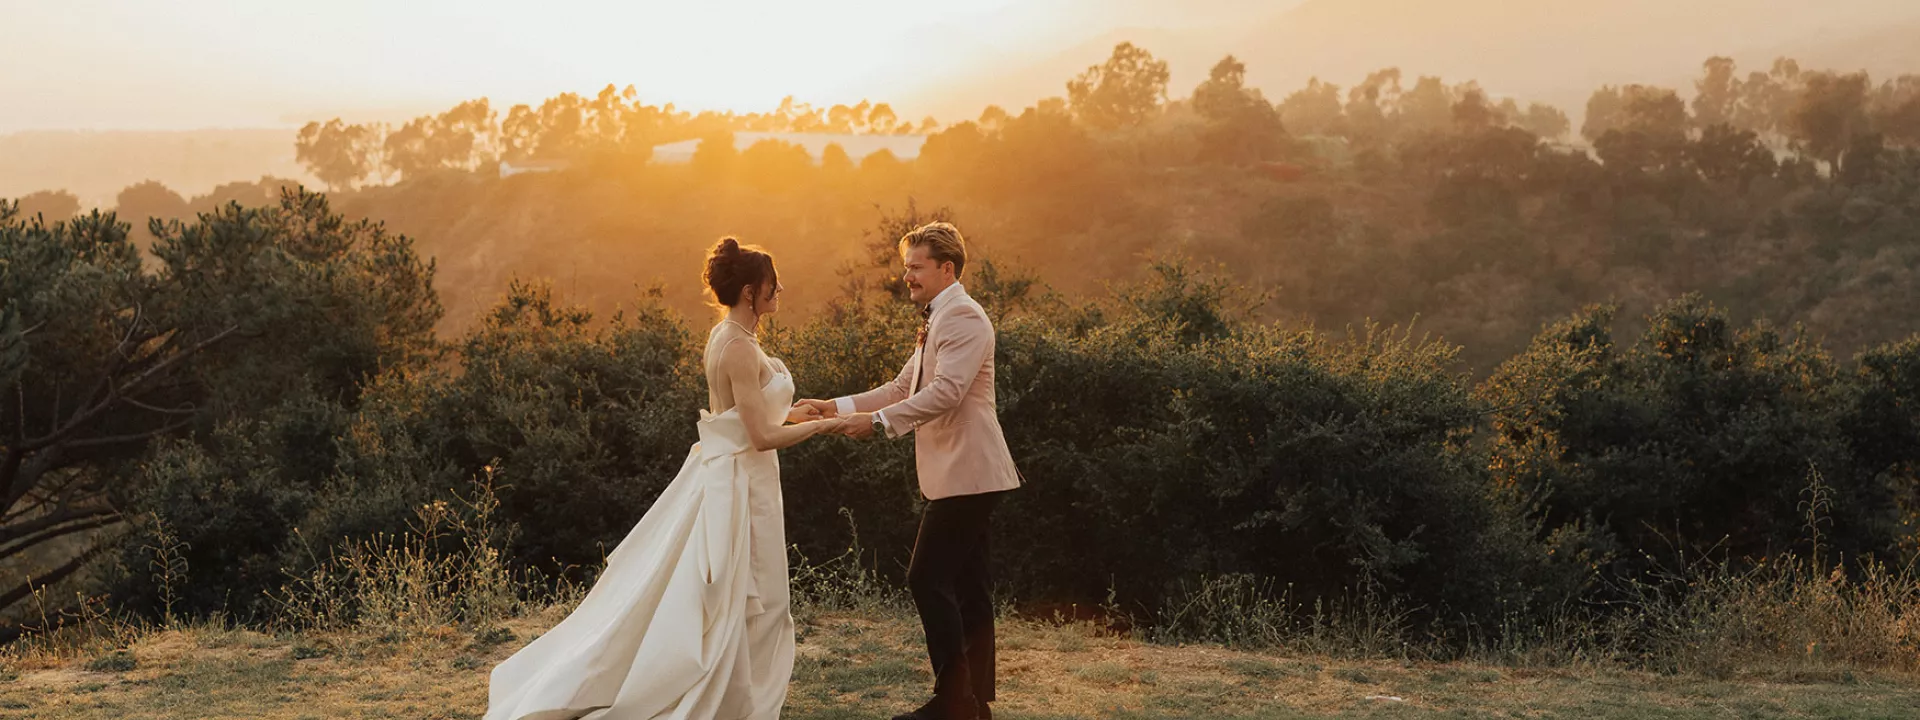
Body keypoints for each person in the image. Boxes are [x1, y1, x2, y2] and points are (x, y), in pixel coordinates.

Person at [486, 237, 844, 720]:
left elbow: (744, 416)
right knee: (756, 599)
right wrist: (826, 426)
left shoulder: (729, 335)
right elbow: (758, 436)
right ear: (748, 291)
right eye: (770, 284)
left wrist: (797, 412)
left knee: (747, 598)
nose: (778, 288)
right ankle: (737, 698)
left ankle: (744, 692)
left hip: (737, 471)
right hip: (743, 483)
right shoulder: (737, 347)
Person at [796, 221, 1022, 720]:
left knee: (926, 578)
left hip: (970, 470)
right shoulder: (940, 315)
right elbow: (902, 388)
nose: (908, 277)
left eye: (916, 268)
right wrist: (833, 407)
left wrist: (874, 425)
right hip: (964, 473)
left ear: (947, 268)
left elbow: (946, 393)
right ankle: (975, 705)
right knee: (970, 587)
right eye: (906, 268)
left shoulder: (961, 316)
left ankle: (952, 701)